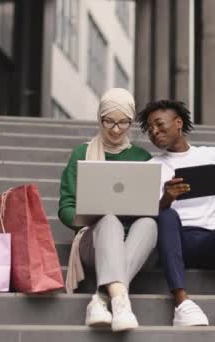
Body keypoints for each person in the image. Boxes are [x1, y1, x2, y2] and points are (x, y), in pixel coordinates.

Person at [136, 99, 215, 327]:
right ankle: (182, 303)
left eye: (159, 124)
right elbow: (148, 215)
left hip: (212, 243)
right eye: (150, 129)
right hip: (175, 244)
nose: (154, 132)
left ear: (178, 123)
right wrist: (166, 199)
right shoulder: (152, 166)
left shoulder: (212, 155)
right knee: (167, 215)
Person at [58, 88, 157, 332]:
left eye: (123, 122)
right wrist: (90, 216)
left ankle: (102, 299)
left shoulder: (142, 157)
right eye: (109, 121)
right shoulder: (82, 153)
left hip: (133, 241)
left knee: (150, 223)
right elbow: (65, 207)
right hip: (93, 240)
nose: (115, 129)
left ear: (131, 121)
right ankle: (121, 303)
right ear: (99, 118)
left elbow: (150, 205)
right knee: (109, 219)